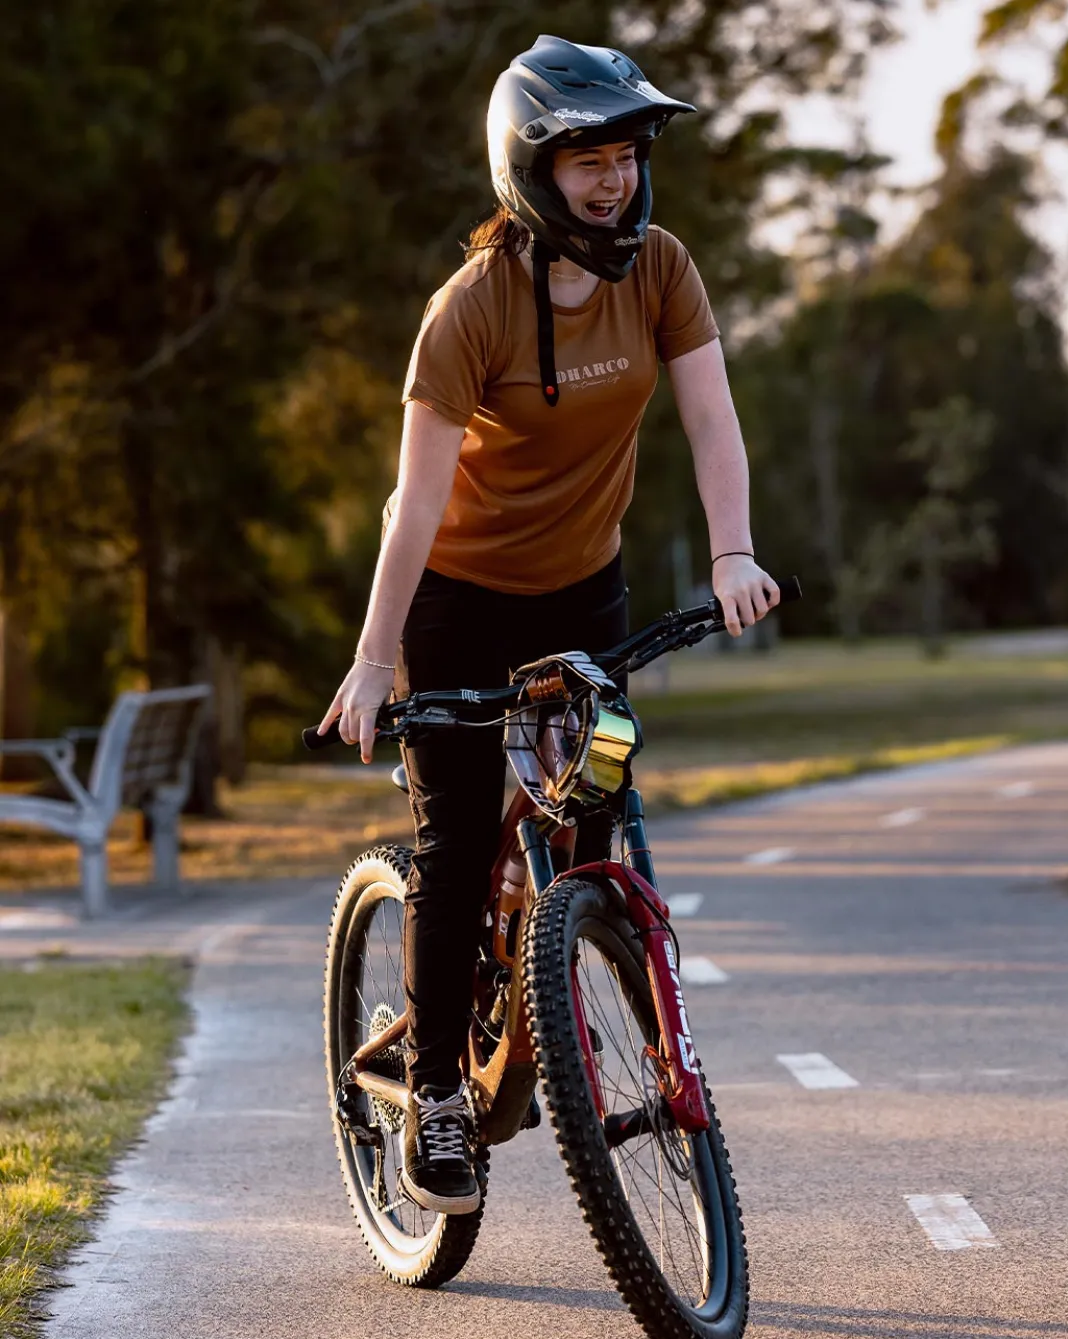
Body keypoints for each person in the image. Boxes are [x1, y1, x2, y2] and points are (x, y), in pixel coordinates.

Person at [318, 34, 780, 1214]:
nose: (612, 177)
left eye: (624, 153)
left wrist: (732, 549)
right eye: (585, 157)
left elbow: (712, 422)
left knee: (595, 815)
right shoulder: (468, 309)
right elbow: (416, 498)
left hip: (584, 585)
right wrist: (377, 658)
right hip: (456, 592)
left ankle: (565, 991)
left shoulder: (661, 268)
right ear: (529, 168)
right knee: (460, 837)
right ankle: (433, 1089)